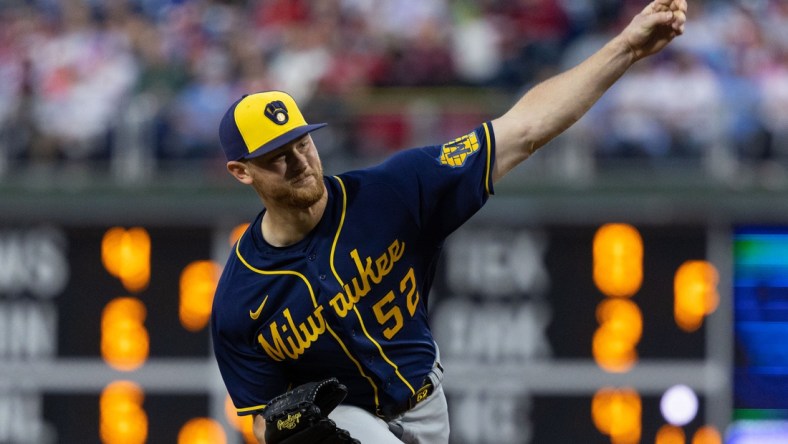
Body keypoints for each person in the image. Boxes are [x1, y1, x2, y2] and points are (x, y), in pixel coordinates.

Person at [210, 1, 687, 442]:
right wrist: (280, 428)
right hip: (348, 419)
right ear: (241, 171)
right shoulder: (240, 298)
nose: (300, 162)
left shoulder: (391, 192)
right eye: (277, 156)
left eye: (302, 143)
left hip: (428, 407)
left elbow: (522, 129)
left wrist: (625, 47)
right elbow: (260, 412)